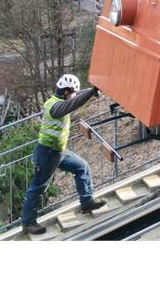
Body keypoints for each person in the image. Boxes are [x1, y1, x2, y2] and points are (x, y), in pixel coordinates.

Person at [20, 74, 106, 236]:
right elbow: (73, 104)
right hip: (47, 153)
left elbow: (75, 98)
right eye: (73, 92)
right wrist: (90, 92)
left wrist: (92, 90)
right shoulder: (54, 106)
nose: (74, 95)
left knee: (82, 167)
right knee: (38, 187)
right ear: (66, 91)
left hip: (59, 152)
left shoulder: (62, 100)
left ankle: (86, 202)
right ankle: (28, 222)